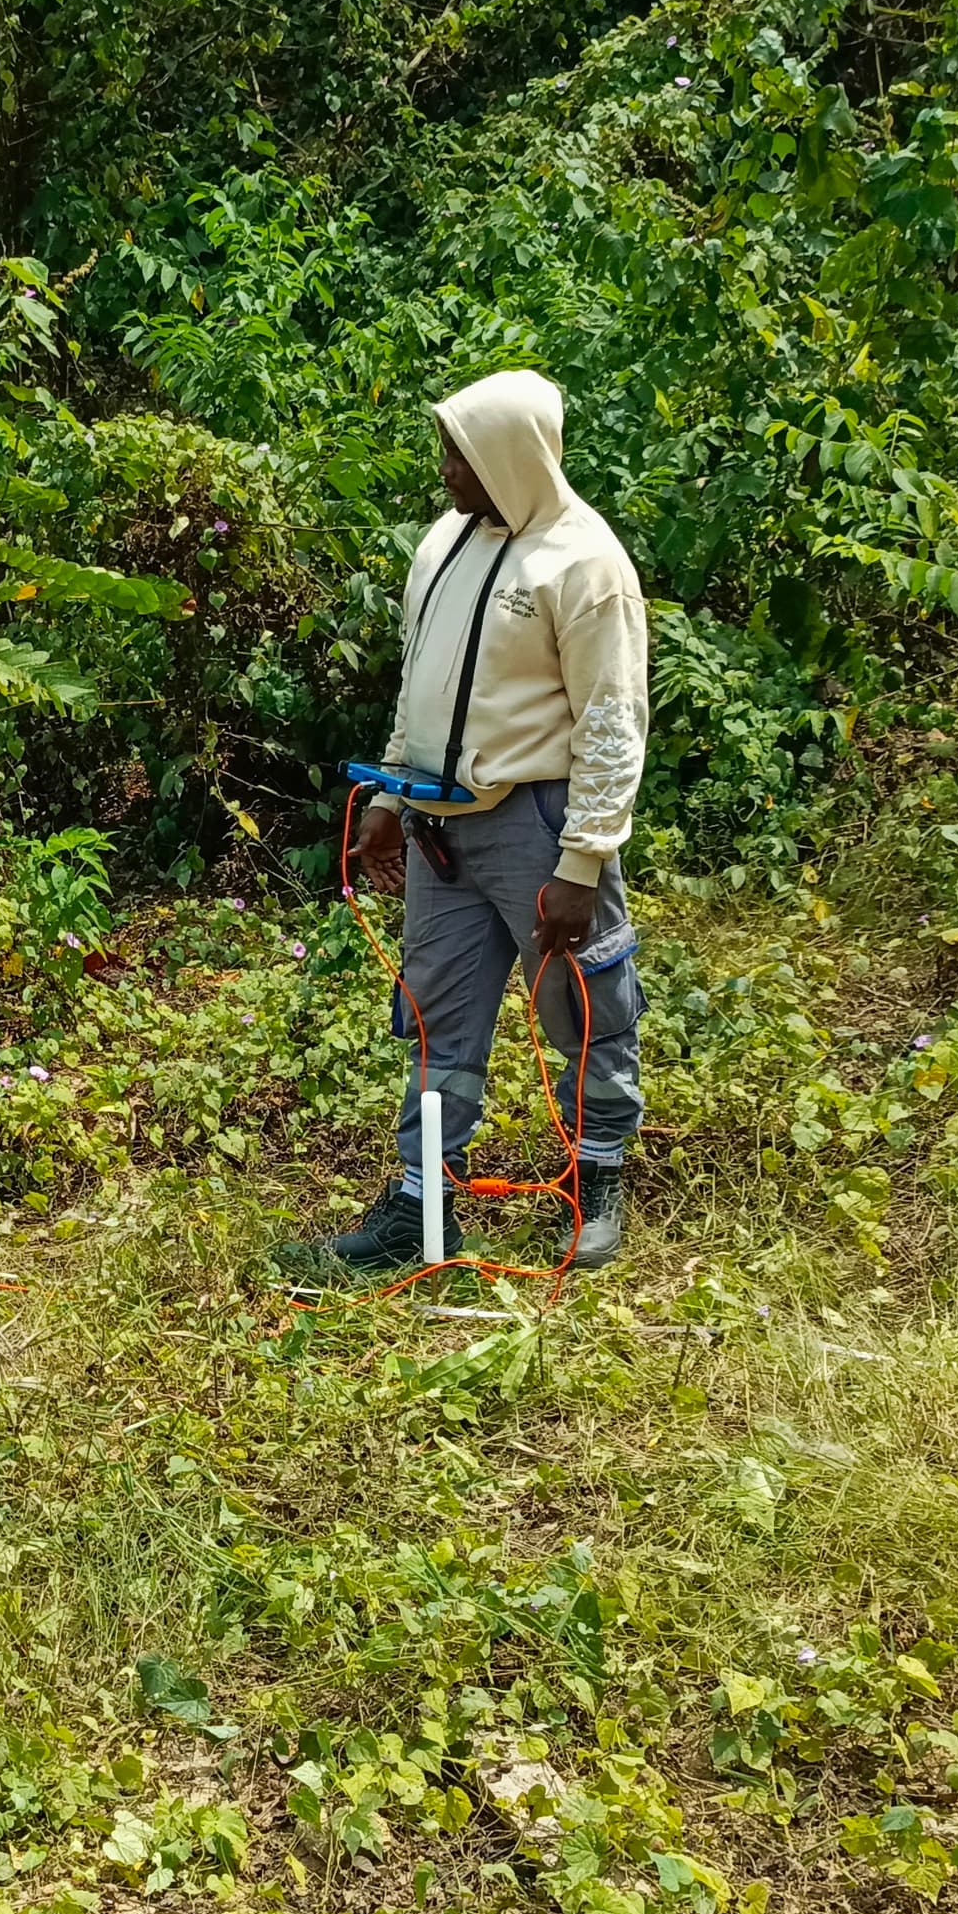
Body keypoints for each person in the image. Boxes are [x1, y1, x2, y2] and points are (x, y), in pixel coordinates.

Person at [287, 369, 649, 1275]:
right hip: (436, 832)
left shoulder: (584, 564)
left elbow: (613, 722)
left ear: (513, 457)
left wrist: (582, 861)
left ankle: (593, 1178)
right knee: (435, 1016)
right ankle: (424, 1205)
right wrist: (389, 798)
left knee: (586, 1009)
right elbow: (424, 686)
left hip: (539, 823)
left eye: (463, 454)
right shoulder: (442, 543)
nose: (447, 470)